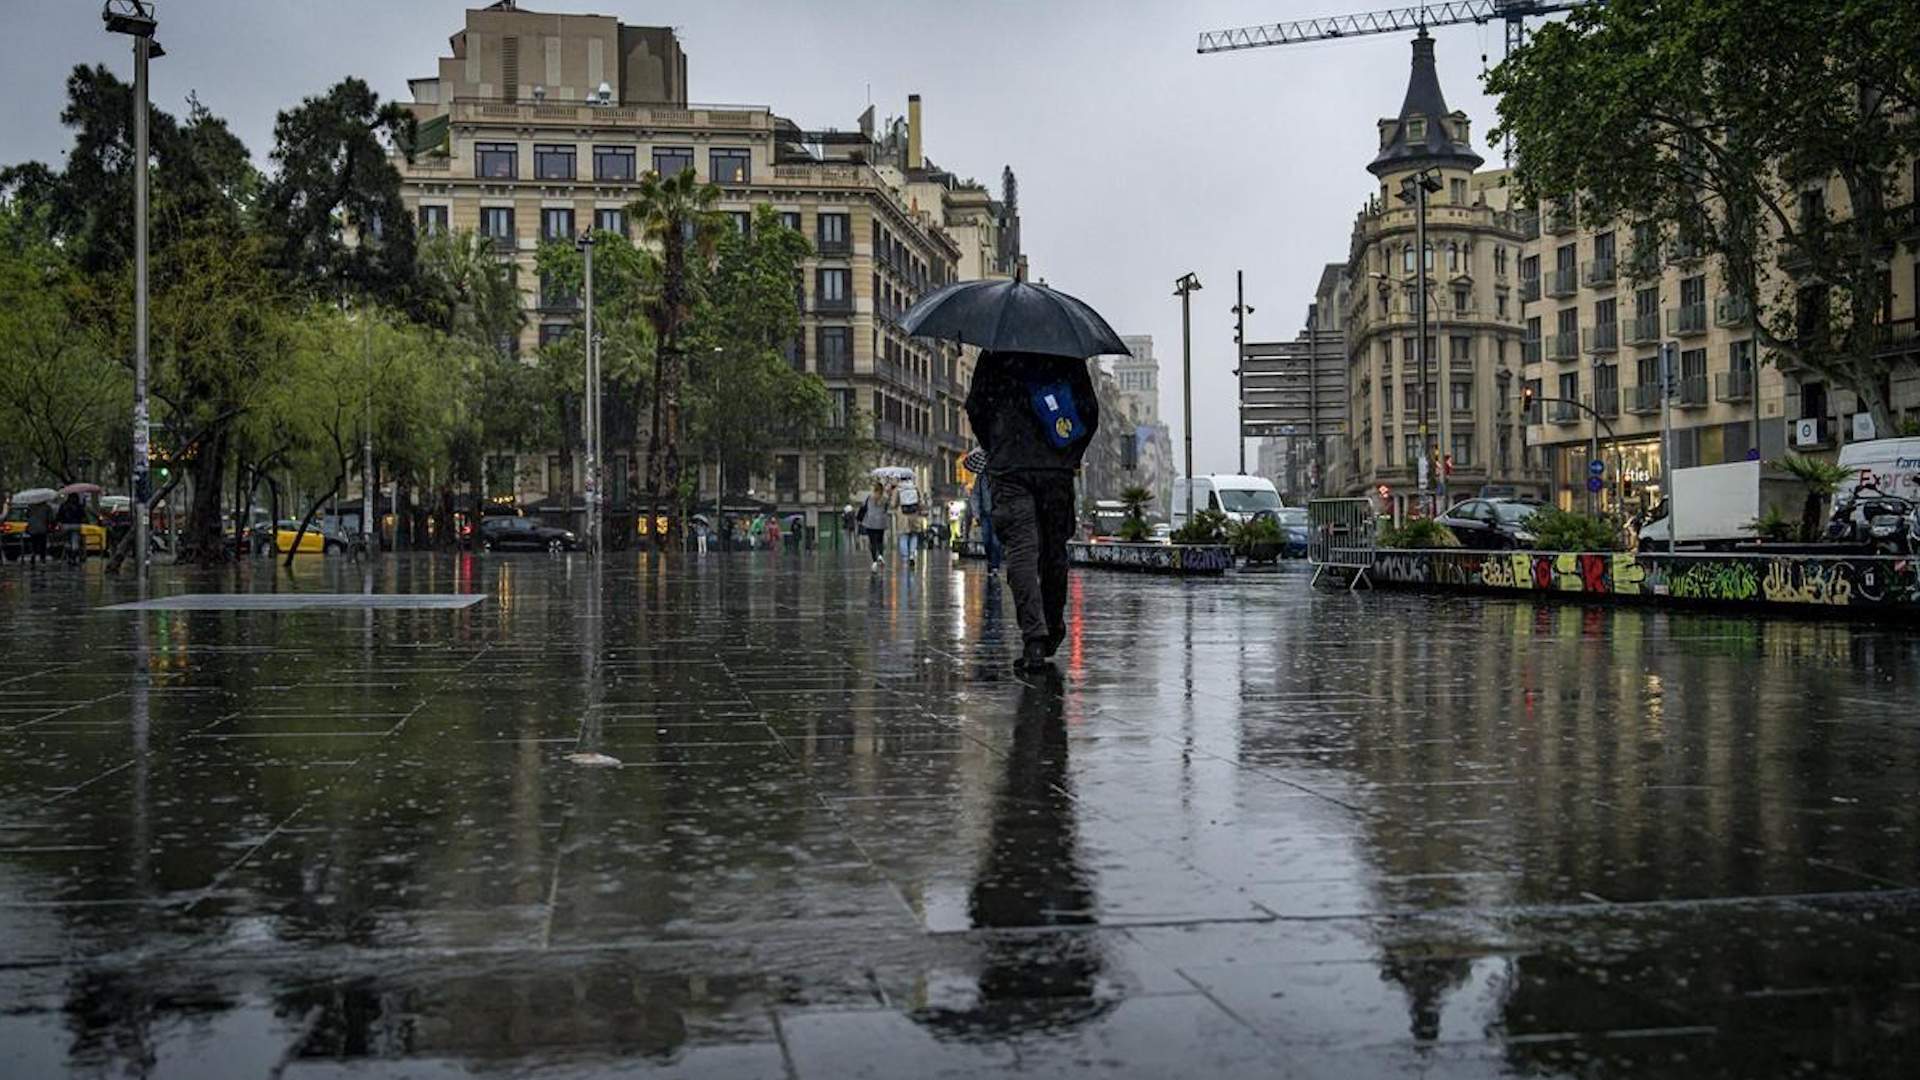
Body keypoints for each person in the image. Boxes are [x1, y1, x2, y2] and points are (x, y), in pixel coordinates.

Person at [965, 350, 1099, 670]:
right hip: (1055, 469)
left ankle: (1034, 638)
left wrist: (996, 445)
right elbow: (1089, 411)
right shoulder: (1066, 352)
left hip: (1010, 467)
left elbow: (975, 406)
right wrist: (1070, 454)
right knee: (1054, 552)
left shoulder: (995, 353)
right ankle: (1052, 626)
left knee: (1022, 552)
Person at [857, 481, 890, 569]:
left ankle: (874, 561)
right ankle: (881, 556)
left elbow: (863, 508)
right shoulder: (885, 499)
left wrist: (859, 519)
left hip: (870, 522)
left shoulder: (869, 498)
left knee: (872, 542)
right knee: (880, 540)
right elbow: (886, 508)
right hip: (881, 522)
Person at [55, 493, 87, 568]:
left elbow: (59, 516)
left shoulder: (64, 505)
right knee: (75, 541)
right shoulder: (79, 506)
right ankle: (74, 558)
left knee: (67, 541)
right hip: (76, 525)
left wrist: (59, 523)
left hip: (65, 525)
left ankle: (69, 557)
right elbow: (83, 516)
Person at [25, 497, 53, 564]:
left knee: (34, 543)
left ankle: (33, 555)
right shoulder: (47, 507)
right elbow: (51, 518)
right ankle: (42, 558)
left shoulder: (30, 506)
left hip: (33, 528)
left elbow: (27, 516)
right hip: (43, 528)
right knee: (42, 544)